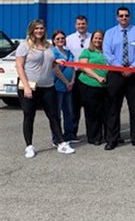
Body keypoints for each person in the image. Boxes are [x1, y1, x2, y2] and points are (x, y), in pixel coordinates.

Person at [15, 19, 76, 158]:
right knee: (29, 116)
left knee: (53, 115)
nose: (39, 31)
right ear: (31, 30)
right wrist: (26, 86)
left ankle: (61, 143)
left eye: (41, 28)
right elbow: (19, 66)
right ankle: (29, 146)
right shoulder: (24, 46)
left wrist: (56, 62)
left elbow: (49, 63)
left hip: (47, 86)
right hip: (30, 85)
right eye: (36, 28)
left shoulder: (48, 45)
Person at [103, 6, 135, 150]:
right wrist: (120, 67)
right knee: (113, 108)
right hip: (116, 74)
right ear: (117, 17)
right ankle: (113, 139)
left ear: (130, 17)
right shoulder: (110, 33)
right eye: (121, 16)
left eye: (126, 16)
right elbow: (107, 53)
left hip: (134, 75)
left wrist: (132, 67)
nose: (124, 18)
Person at [78, 30, 108, 145]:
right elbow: (84, 67)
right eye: (95, 38)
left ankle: (106, 135)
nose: (98, 40)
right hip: (89, 85)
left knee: (104, 112)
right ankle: (94, 137)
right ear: (92, 40)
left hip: (105, 86)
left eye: (100, 38)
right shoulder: (87, 51)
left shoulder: (106, 52)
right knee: (92, 113)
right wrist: (97, 77)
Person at [66, 15, 91, 143]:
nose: (81, 26)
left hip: (89, 75)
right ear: (76, 25)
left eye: (83, 24)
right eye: (79, 24)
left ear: (87, 24)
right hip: (75, 75)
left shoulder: (92, 38)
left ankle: (92, 133)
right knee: (74, 107)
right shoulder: (69, 39)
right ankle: (72, 133)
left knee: (89, 106)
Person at [51, 30, 76, 146]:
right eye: (58, 39)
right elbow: (55, 70)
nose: (60, 40)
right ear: (54, 40)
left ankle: (69, 135)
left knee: (69, 112)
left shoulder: (68, 52)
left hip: (69, 87)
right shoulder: (53, 52)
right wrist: (66, 82)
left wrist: (72, 81)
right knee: (56, 113)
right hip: (58, 86)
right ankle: (57, 137)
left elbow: (73, 67)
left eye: (62, 38)